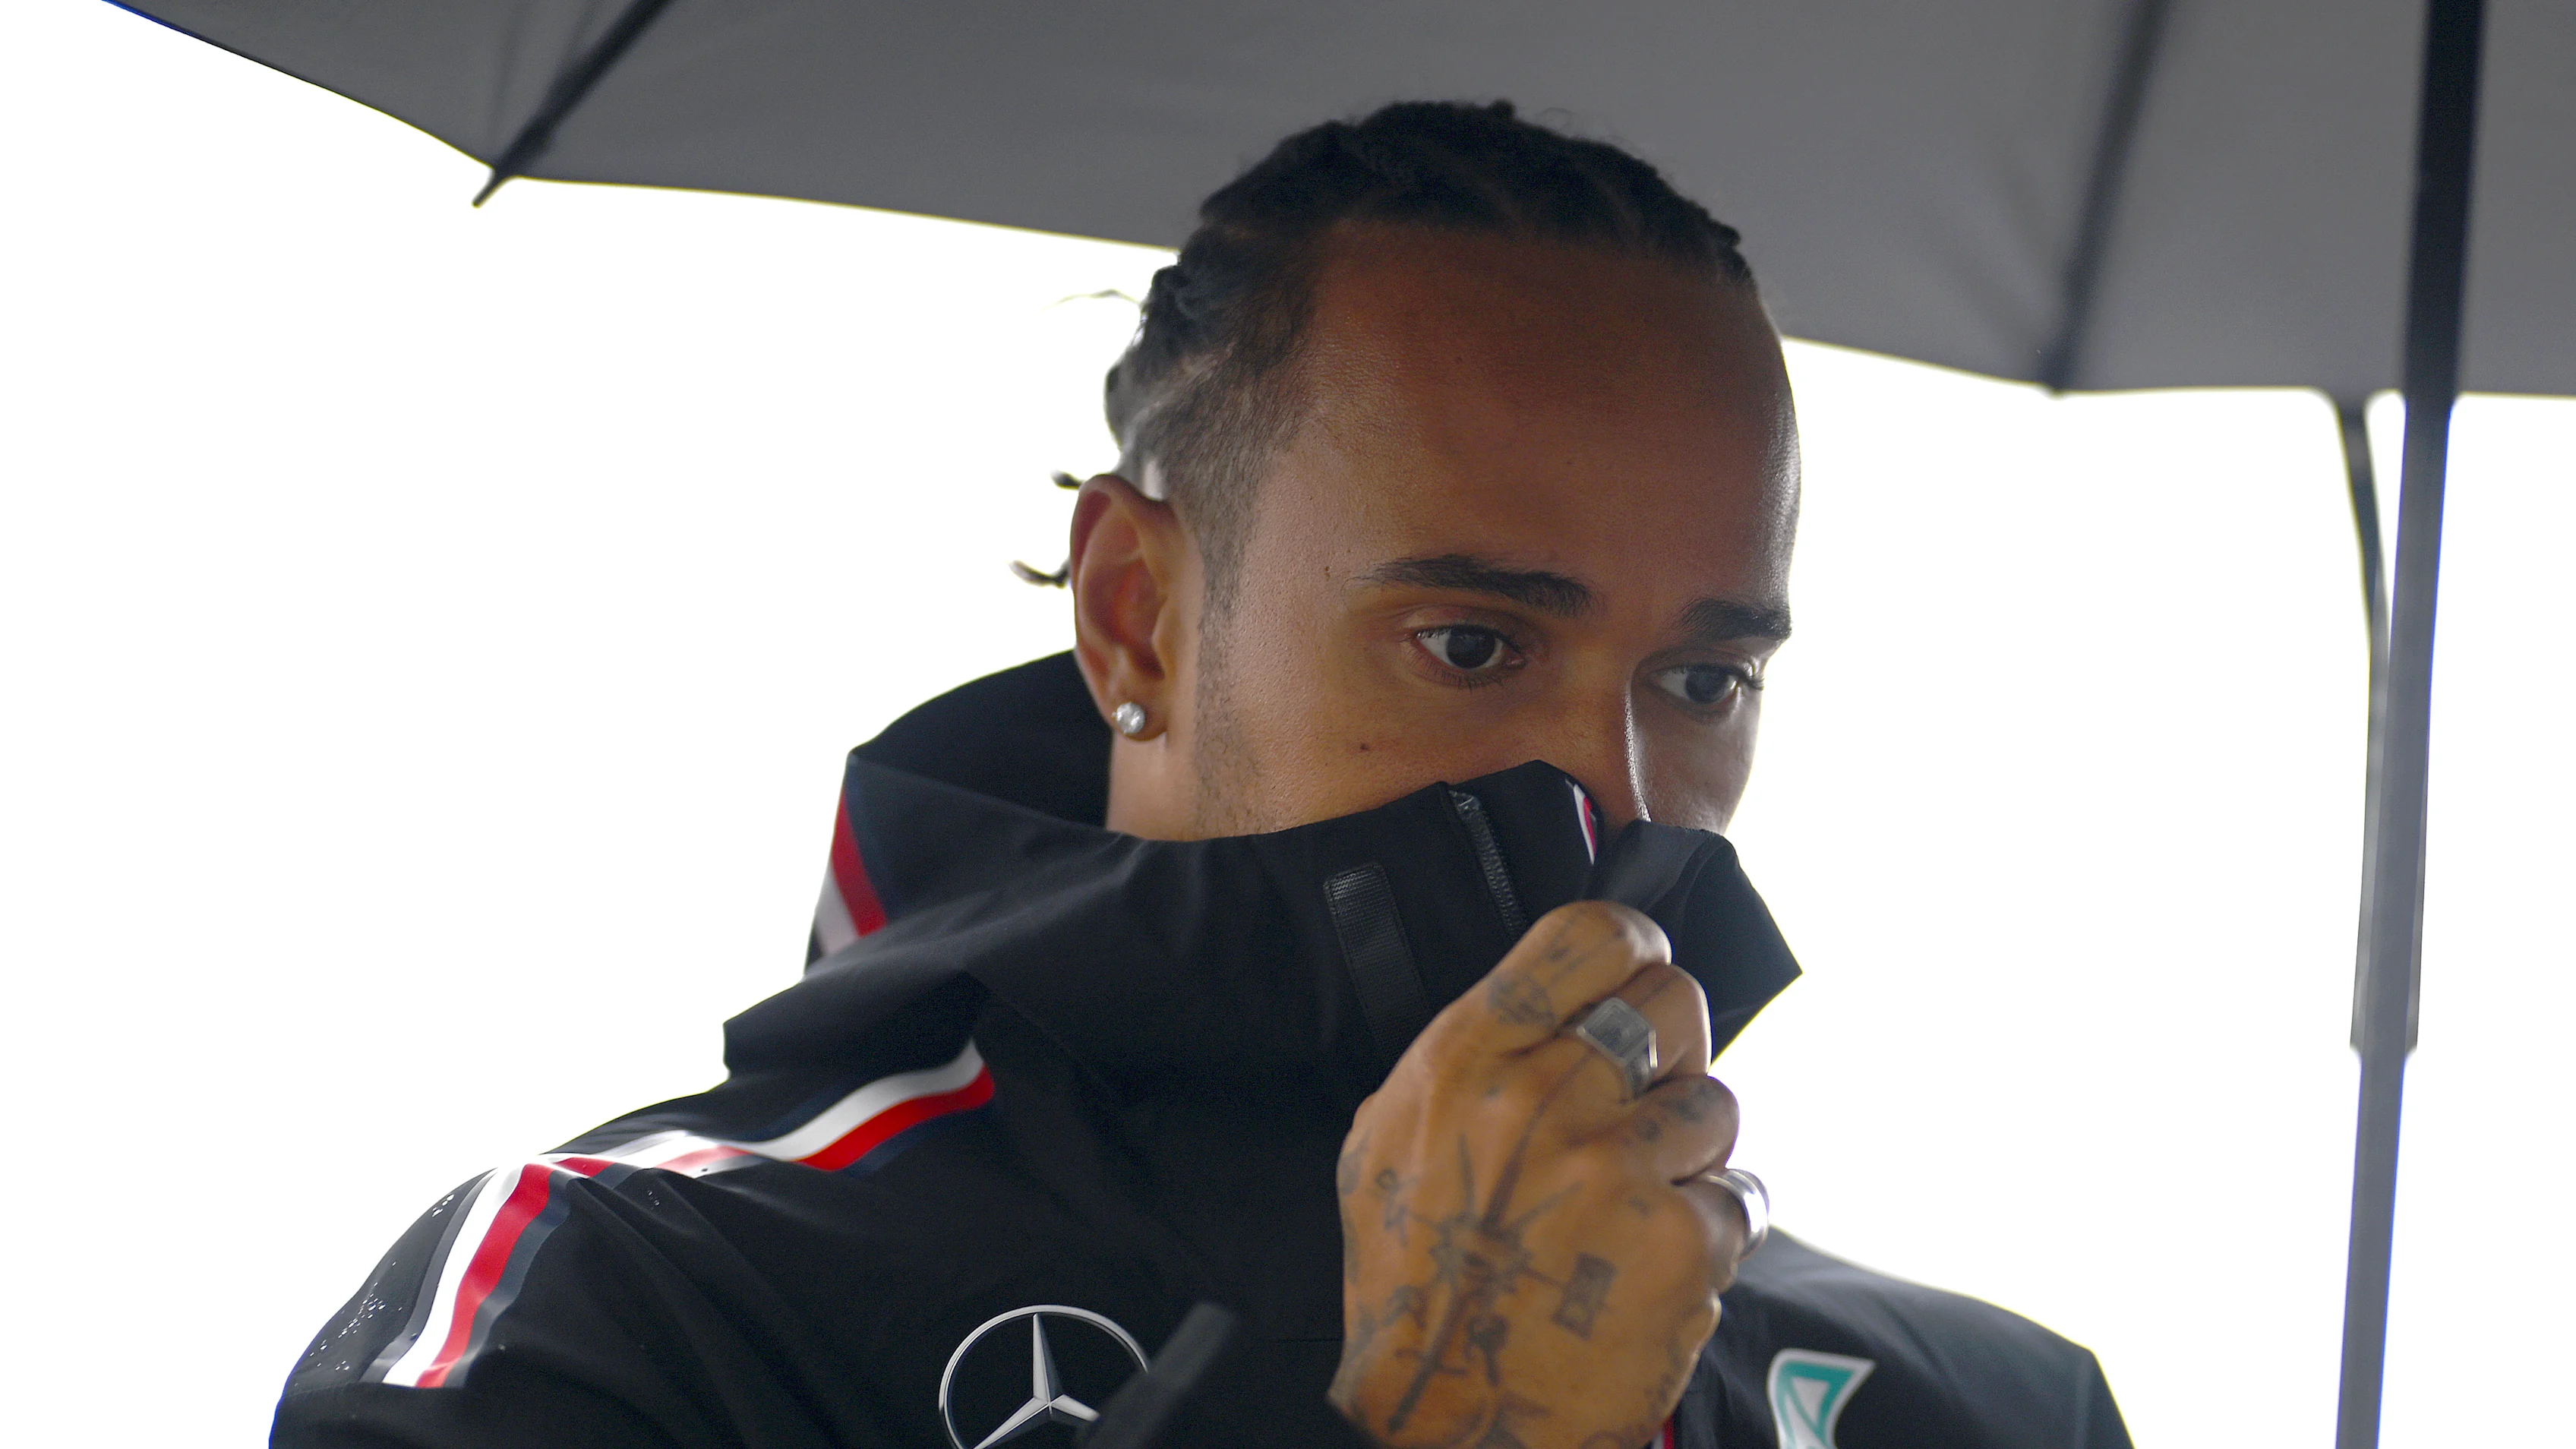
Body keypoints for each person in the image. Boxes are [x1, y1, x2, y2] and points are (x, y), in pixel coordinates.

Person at [273, 102, 2131, 1449]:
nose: (1615, 792)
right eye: (1474, 644)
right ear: (1138, 614)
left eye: (1706, 677)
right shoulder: (634, 1303)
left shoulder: (1981, 1410)